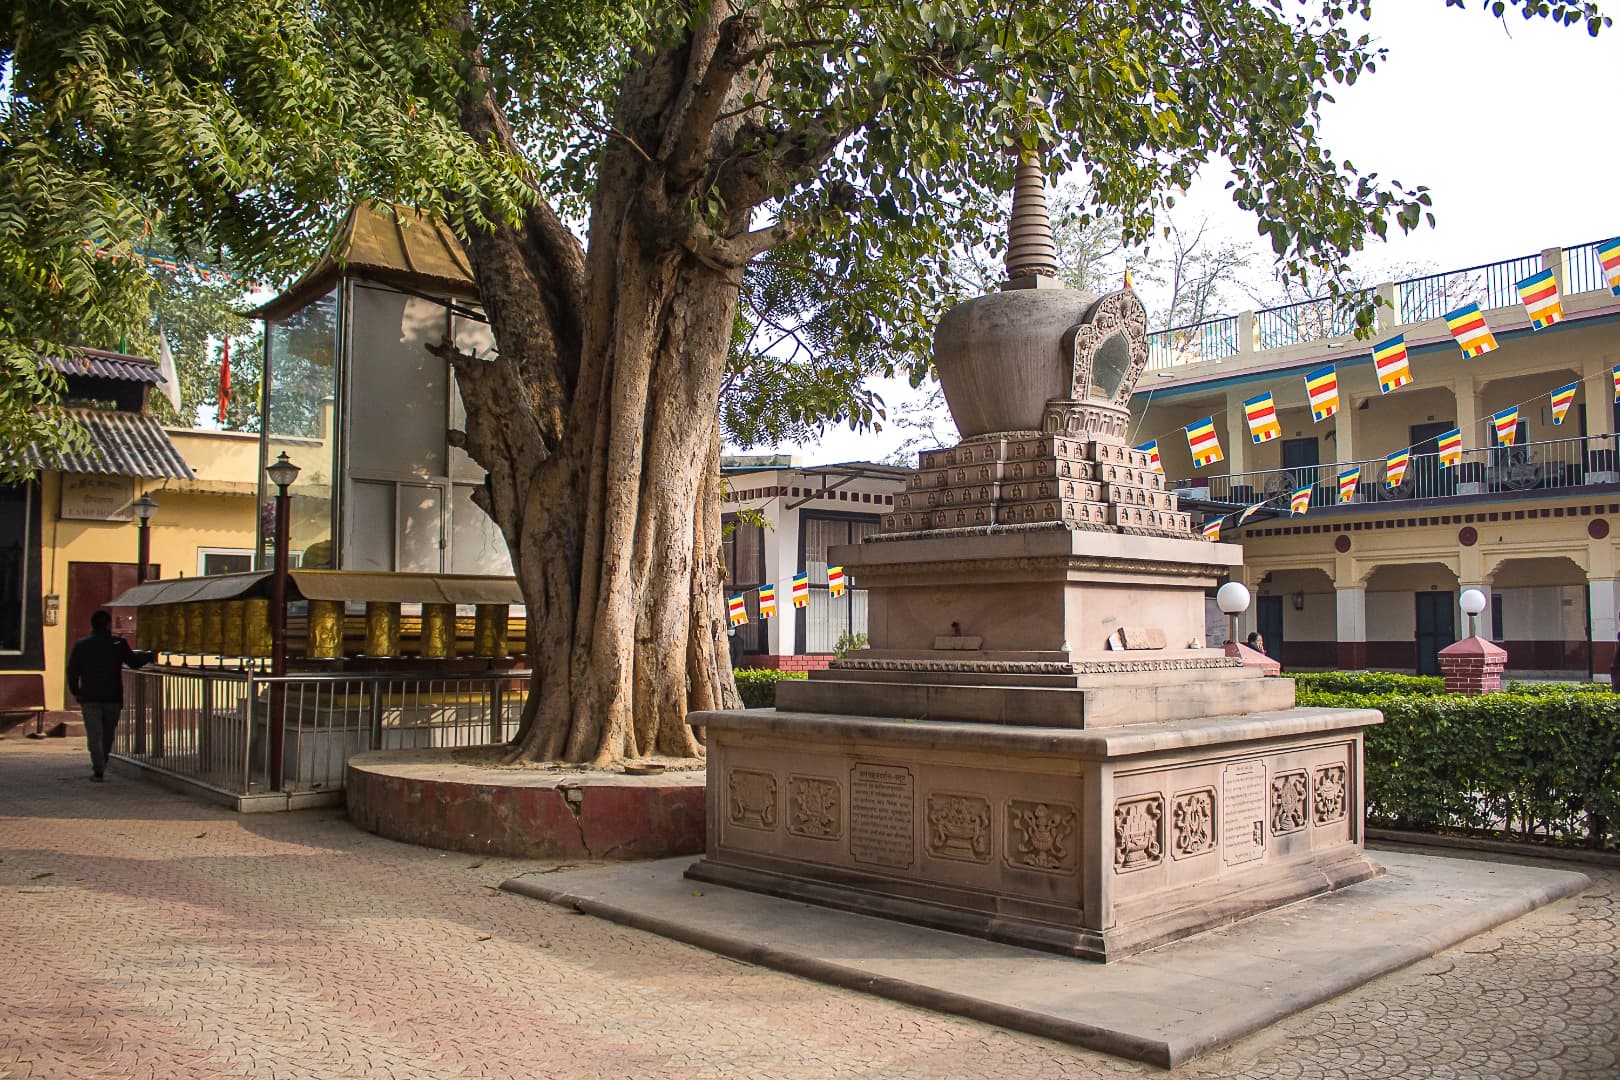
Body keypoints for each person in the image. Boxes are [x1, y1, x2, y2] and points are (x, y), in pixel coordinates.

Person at [65, 610, 154, 781]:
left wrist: (76, 691)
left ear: (92, 625)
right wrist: (149, 655)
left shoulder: (82, 645)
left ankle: (98, 767)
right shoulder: (118, 644)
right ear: (108, 625)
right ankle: (102, 760)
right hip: (113, 696)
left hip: (90, 696)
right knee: (107, 733)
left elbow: (72, 671)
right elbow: (134, 662)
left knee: (94, 734)